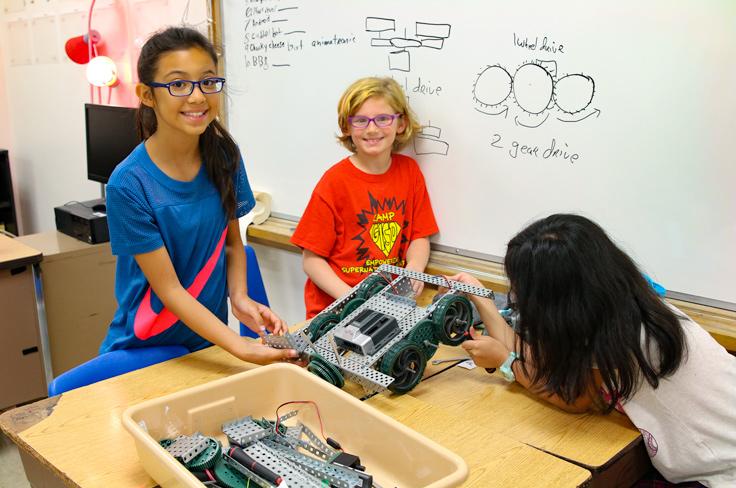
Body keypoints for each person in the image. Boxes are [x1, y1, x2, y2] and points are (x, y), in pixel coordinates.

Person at [449, 214, 736, 487]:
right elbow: (551, 365)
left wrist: (507, 363)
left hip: (720, 471)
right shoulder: (620, 309)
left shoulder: (620, 338)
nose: (515, 294)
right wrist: (480, 296)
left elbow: (572, 397)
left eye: (521, 288)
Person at [99, 27, 298, 364]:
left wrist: (239, 297)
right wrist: (240, 346)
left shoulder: (224, 157)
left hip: (207, 345)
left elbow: (232, 243)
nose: (197, 97)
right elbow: (170, 290)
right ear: (147, 95)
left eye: (208, 81)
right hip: (143, 350)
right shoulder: (128, 184)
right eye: (178, 84)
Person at [291, 77, 439, 318]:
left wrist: (414, 269)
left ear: (400, 123)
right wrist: (354, 300)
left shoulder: (410, 172)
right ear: (347, 128)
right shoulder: (334, 182)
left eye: (383, 119)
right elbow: (311, 261)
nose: (372, 129)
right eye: (361, 120)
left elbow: (420, 236)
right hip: (337, 309)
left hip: (390, 306)